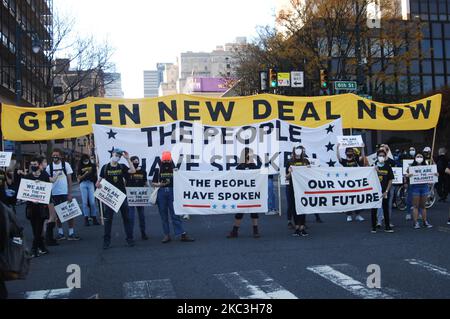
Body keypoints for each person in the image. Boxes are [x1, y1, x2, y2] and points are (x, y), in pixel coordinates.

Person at [97, 149, 136, 249]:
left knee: (126, 218)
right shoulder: (105, 167)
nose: (118, 157)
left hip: (121, 196)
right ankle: (106, 241)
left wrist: (127, 159)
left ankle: (130, 239)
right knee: (108, 220)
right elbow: (98, 182)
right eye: (116, 154)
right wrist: (98, 185)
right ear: (112, 154)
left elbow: (133, 171)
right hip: (110, 197)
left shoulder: (121, 166)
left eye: (119, 156)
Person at [152, 151, 195, 243]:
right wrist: (160, 184)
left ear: (171, 159)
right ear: (162, 160)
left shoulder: (175, 169)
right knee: (163, 215)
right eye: (165, 160)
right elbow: (153, 183)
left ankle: (182, 234)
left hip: (172, 192)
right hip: (161, 192)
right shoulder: (158, 170)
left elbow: (180, 181)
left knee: (175, 214)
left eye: (168, 160)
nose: (166, 162)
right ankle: (166, 235)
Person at [46, 149, 80, 241]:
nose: (55, 157)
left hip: (64, 193)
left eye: (56, 155)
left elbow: (69, 180)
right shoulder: (49, 167)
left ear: (61, 156)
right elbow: (46, 179)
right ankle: (60, 233)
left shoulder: (66, 165)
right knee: (57, 214)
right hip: (54, 193)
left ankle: (71, 232)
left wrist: (70, 193)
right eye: (53, 155)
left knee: (70, 213)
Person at [227, 148, 261, 239]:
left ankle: (255, 231)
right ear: (246, 155)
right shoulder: (240, 166)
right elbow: (235, 177)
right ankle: (235, 231)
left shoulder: (254, 166)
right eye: (250, 154)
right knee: (239, 213)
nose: (252, 156)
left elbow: (261, 174)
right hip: (242, 194)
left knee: (254, 212)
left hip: (252, 193)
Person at [25, 157, 51, 257]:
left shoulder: (44, 175)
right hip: (31, 207)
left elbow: (48, 190)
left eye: (35, 164)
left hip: (41, 207)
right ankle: (42, 247)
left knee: (38, 229)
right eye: (32, 164)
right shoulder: (27, 177)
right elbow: (24, 191)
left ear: (39, 165)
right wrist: (32, 199)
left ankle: (34, 249)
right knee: (34, 228)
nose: (33, 166)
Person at [406, 152, 437, 229]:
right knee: (415, 206)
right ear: (415, 158)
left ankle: (425, 222)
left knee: (423, 206)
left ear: (423, 158)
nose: (419, 157)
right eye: (417, 156)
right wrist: (408, 175)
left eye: (420, 156)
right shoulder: (411, 167)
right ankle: (415, 223)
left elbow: (433, 174)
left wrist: (436, 174)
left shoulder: (427, 166)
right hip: (415, 187)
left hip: (424, 187)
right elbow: (405, 174)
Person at [337, 144, 366, 222]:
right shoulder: (344, 161)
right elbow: (338, 158)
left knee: (357, 198)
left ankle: (358, 215)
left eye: (351, 151)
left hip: (356, 182)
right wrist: (337, 148)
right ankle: (349, 215)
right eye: (348, 151)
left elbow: (362, 157)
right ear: (346, 153)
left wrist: (362, 148)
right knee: (349, 199)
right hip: (347, 183)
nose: (350, 153)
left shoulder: (356, 159)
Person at [285, 145, 310, 237]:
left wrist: (309, 169)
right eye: (296, 150)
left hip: (303, 187)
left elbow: (310, 174)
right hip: (292, 188)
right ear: (294, 151)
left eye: (300, 150)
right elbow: (286, 177)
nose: (298, 152)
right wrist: (289, 172)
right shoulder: (290, 161)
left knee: (303, 207)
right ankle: (296, 227)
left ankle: (302, 227)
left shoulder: (306, 161)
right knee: (294, 208)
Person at [371, 150, 394, 233]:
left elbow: (390, 180)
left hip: (384, 191)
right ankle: (373, 227)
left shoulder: (388, 166)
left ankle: (387, 227)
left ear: (385, 157)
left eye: (383, 156)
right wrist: (374, 170)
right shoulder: (372, 166)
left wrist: (387, 191)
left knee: (385, 209)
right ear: (377, 156)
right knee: (374, 209)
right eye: (380, 155)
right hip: (374, 192)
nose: (381, 157)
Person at [126, 156, 149, 240]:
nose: (136, 163)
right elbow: (125, 182)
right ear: (131, 162)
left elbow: (145, 182)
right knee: (131, 217)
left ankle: (143, 233)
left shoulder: (143, 171)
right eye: (134, 161)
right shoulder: (128, 171)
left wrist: (150, 191)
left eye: (137, 161)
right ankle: (130, 235)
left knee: (142, 216)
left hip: (140, 196)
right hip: (131, 196)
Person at [376, 144, 396, 229]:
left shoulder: (391, 162)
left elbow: (396, 166)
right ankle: (379, 221)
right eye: (381, 151)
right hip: (379, 187)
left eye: (385, 150)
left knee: (388, 204)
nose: (382, 155)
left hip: (389, 186)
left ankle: (388, 221)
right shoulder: (375, 163)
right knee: (379, 204)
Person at [77, 154, 100, 227]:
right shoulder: (80, 167)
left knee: (92, 202)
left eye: (87, 159)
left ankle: (94, 217)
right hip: (83, 184)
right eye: (84, 160)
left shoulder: (92, 165)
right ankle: (86, 218)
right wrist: (85, 174)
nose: (86, 161)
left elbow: (97, 167)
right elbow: (79, 178)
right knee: (85, 202)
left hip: (90, 183)